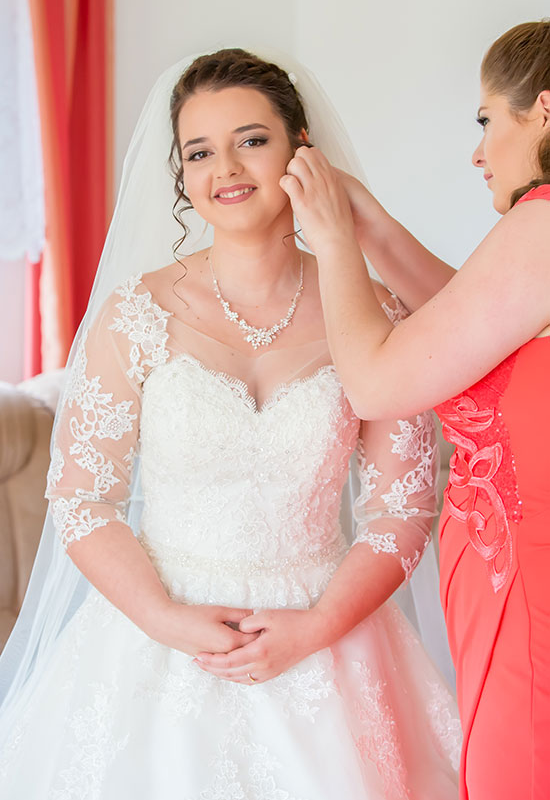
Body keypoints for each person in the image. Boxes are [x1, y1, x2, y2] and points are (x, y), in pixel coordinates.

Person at [0, 48, 460, 799]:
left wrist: (315, 627)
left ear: (300, 148)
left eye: (252, 139)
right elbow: (83, 499)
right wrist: (166, 619)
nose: (227, 169)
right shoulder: (134, 315)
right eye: (199, 152)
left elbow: (402, 507)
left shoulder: (376, 309)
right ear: (181, 175)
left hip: (329, 629)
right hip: (158, 638)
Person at [281, 20, 550, 800]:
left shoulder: (540, 222)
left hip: (526, 600)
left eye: (485, 120)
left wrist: (333, 244)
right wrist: (366, 219)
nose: (476, 151)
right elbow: (468, 326)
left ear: (543, 110)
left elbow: (375, 383)